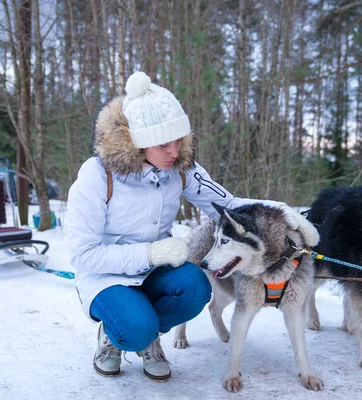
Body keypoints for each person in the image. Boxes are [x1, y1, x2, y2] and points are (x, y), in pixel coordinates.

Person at [67, 71, 317, 381]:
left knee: (197, 287)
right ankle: (115, 333)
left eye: (178, 140)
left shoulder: (180, 169)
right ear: (139, 143)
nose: (174, 151)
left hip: (155, 271)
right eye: (163, 144)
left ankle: (148, 336)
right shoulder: (97, 176)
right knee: (133, 328)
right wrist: (151, 253)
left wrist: (279, 211)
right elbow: (83, 255)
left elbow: (229, 204)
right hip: (107, 277)